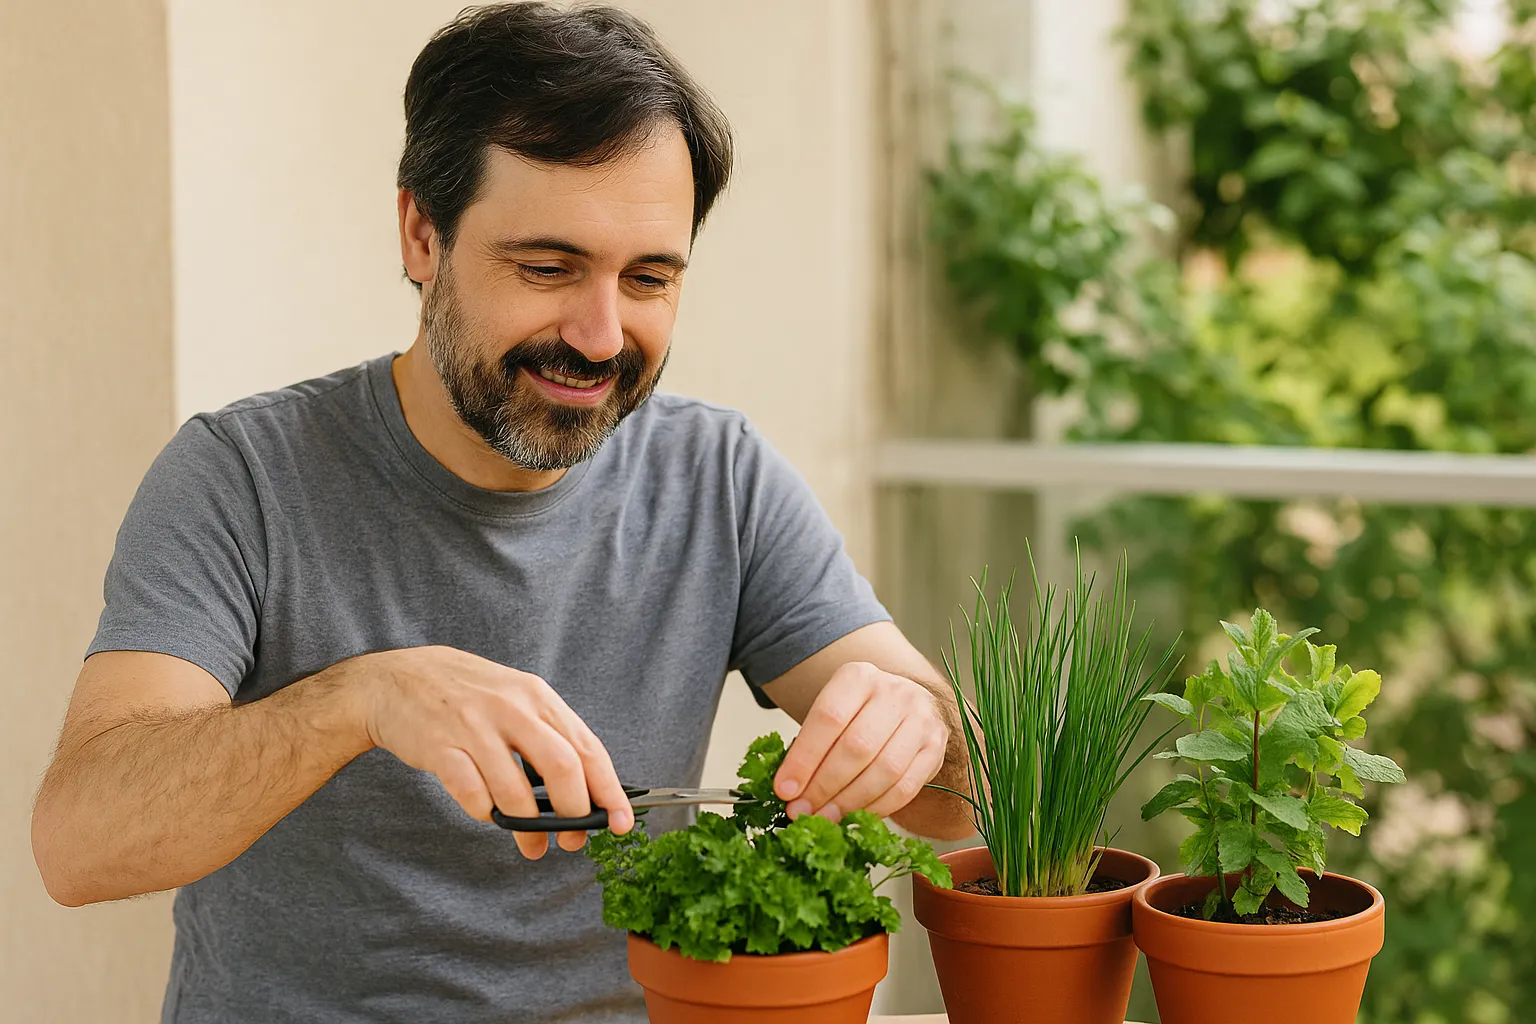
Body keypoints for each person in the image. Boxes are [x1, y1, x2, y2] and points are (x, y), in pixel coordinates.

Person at [30, 4, 972, 1022]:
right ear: (421, 235)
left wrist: (921, 726)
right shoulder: (243, 477)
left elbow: (960, 809)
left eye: (648, 278)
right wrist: (360, 700)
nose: (601, 335)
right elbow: (79, 843)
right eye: (548, 268)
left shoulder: (721, 478)